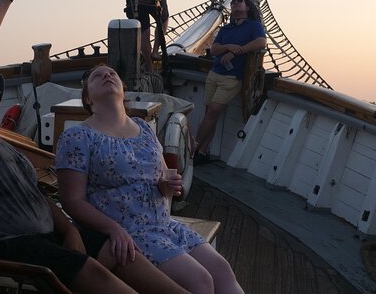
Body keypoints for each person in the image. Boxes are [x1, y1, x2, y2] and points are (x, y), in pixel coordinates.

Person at [0, 0, 189, 294]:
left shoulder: (8, 149)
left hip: (44, 237)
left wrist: (70, 232)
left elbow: (38, 197)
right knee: (100, 274)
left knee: (122, 250)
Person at [56, 64, 244, 294]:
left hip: (164, 224)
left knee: (222, 270)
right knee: (201, 281)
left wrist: (167, 186)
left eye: (112, 73)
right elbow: (72, 201)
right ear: (88, 97)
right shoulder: (77, 136)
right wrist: (113, 230)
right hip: (127, 233)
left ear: (123, 90)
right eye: (97, 76)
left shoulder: (144, 129)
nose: (107, 75)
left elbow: (163, 177)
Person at [193, 0, 267, 165]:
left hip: (231, 78)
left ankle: (192, 148)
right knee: (210, 114)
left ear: (247, 7)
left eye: (239, 1)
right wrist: (227, 47)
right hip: (214, 74)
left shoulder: (254, 27)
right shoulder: (226, 29)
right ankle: (202, 152)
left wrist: (236, 52)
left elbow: (261, 42)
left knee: (211, 113)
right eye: (233, 2)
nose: (234, 3)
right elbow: (214, 50)